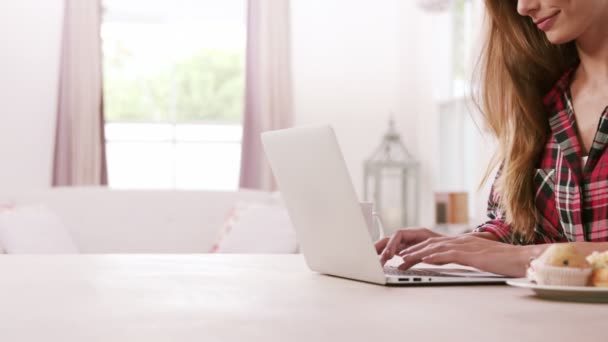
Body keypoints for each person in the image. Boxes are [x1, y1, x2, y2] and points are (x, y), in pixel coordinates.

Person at [376, 0, 608, 277]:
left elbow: (526, 253)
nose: (523, 7)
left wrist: (529, 257)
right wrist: (464, 245)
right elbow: (522, 230)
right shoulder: (543, 107)